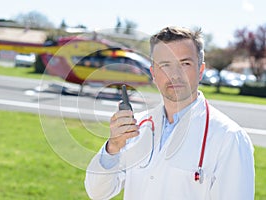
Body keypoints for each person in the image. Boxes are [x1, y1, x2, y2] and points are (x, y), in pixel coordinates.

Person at [85, 26, 255, 200]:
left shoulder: (229, 138)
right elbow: (98, 193)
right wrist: (112, 147)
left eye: (185, 63)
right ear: (153, 73)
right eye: (165, 65)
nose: (174, 75)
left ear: (201, 70)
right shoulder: (136, 128)